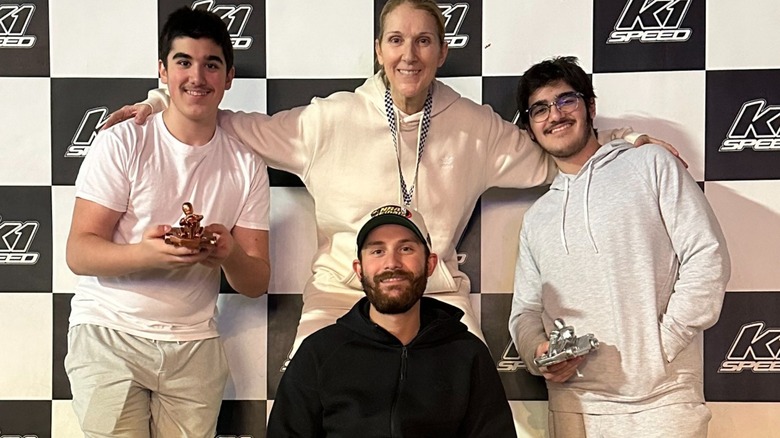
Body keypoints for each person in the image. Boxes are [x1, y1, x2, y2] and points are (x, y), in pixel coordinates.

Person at [105, 0, 678, 360]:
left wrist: (626, 137)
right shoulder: (326, 119)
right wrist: (162, 101)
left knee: (473, 404)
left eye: (424, 40)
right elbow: (229, 120)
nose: (410, 54)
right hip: (338, 300)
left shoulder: (476, 128)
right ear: (379, 51)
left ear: (442, 50)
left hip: (438, 298)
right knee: (306, 408)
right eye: (397, 40)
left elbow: (554, 144)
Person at [64, 7, 271, 437]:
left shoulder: (247, 164)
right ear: (163, 70)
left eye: (211, 64)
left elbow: (255, 281)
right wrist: (145, 254)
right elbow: (79, 252)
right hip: (110, 333)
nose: (197, 77)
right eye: (184, 62)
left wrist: (228, 252)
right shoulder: (123, 140)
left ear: (229, 76)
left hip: (195, 345)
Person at [508, 56, 730, 437]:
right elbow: (525, 312)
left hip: (662, 404)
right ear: (530, 129)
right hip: (573, 410)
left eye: (566, 100)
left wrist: (662, 346)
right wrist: (537, 354)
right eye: (540, 109)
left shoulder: (652, 164)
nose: (555, 115)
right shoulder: (537, 217)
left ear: (590, 107)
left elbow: (707, 257)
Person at [267, 204, 517, 437]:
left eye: (406, 248)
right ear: (359, 269)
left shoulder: (468, 354)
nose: (392, 263)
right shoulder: (318, 353)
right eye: (377, 251)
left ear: (430, 264)